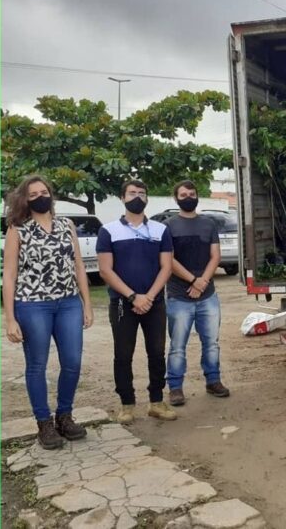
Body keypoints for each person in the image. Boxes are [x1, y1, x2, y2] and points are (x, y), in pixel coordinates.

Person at [2, 175, 93, 450]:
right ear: (24, 200)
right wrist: (10, 318)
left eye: (44, 192)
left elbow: (78, 265)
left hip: (68, 303)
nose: (41, 197)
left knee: (73, 362)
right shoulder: (18, 229)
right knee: (37, 365)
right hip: (32, 305)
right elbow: (9, 275)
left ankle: (64, 416)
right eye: (33, 194)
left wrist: (86, 303)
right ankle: (44, 423)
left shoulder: (67, 226)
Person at [97, 179, 177, 423]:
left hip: (154, 303)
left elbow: (166, 267)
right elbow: (105, 270)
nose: (137, 197)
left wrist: (149, 297)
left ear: (147, 199)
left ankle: (156, 402)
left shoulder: (160, 230)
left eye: (142, 193)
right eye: (132, 193)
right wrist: (133, 296)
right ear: (122, 197)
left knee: (156, 353)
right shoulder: (109, 231)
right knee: (123, 355)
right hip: (123, 304)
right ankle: (127, 405)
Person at [164, 180, 231, 406]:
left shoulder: (208, 224)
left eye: (192, 193)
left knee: (211, 342)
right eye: (183, 194)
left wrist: (202, 282)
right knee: (177, 345)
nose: (188, 197)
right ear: (176, 199)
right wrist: (193, 280)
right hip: (178, 296)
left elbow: (215, 256)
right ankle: (175, 387)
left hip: (207, 295)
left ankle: (213, 381)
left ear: (197, 196)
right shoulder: (169, 226)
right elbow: (168, 260)